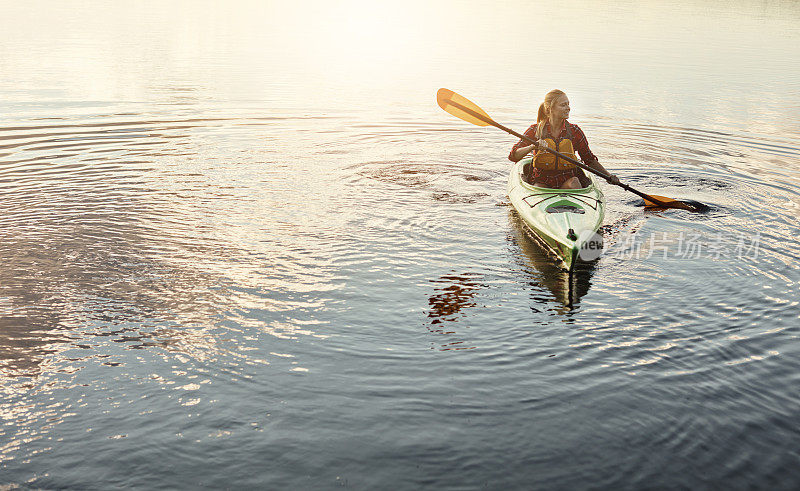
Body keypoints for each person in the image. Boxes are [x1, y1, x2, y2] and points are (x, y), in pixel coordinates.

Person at [509, 89, 619, 189]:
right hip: (542, 182)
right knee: (539, 186)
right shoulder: (535, 130)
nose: (568, 108)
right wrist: (534, 146)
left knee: (575, 182)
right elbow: (514, 156)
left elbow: (589, 160)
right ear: (549, 109)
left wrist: (609, 176)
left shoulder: (575, 131)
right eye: (563, 105)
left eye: (568, 104)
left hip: (567, 181)